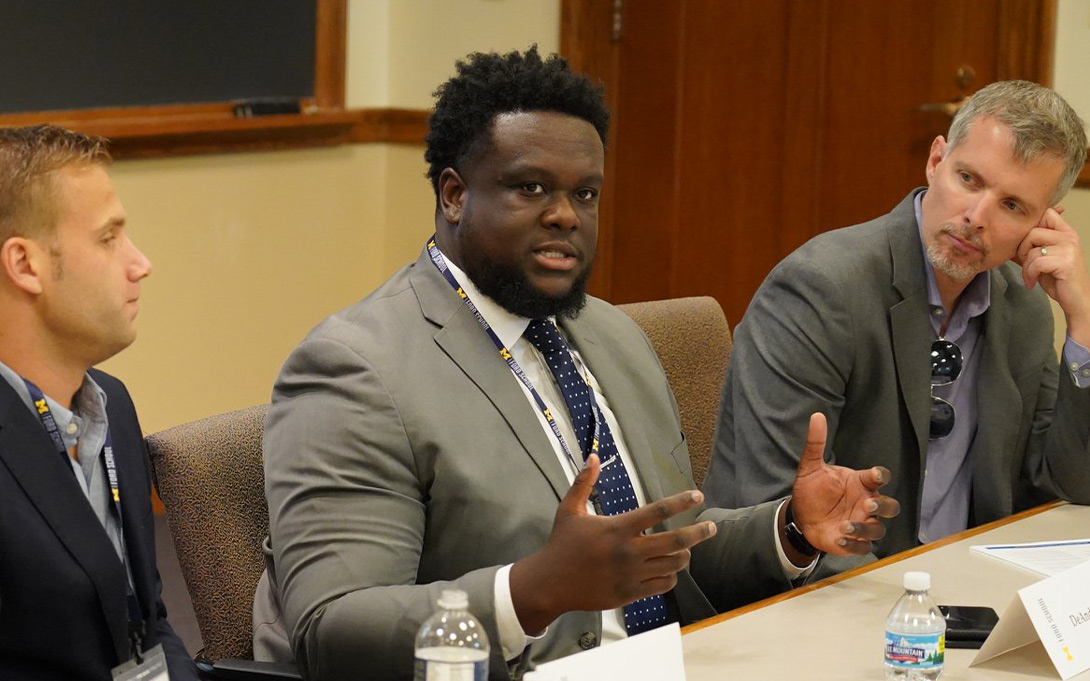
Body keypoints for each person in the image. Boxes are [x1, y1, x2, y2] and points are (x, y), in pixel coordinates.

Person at [253, 47, 899, 680]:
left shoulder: (612, 334)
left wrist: (788, 529)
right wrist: (531, 591)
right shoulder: (357, 369)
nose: (565, 215)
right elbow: (331, 630)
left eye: (585, 194)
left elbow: (660, 547)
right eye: (530, 187)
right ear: (454, 194)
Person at [705, 80, 1090, 574]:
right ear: (935, 161)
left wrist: (1083, 325)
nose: (976, 217)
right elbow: (776, 516)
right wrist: (912, 618)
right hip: (829, 600)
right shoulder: (818, 290)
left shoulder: (1024, 307)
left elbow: (1068, 486)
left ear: (1045, 222)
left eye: (1012, 206)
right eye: (968, 179)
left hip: (967, 591)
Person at [0, 125, 198, 680]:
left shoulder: (109, 403)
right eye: (109, 238)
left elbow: (148, 622)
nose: (140, 264)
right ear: (25, 265)